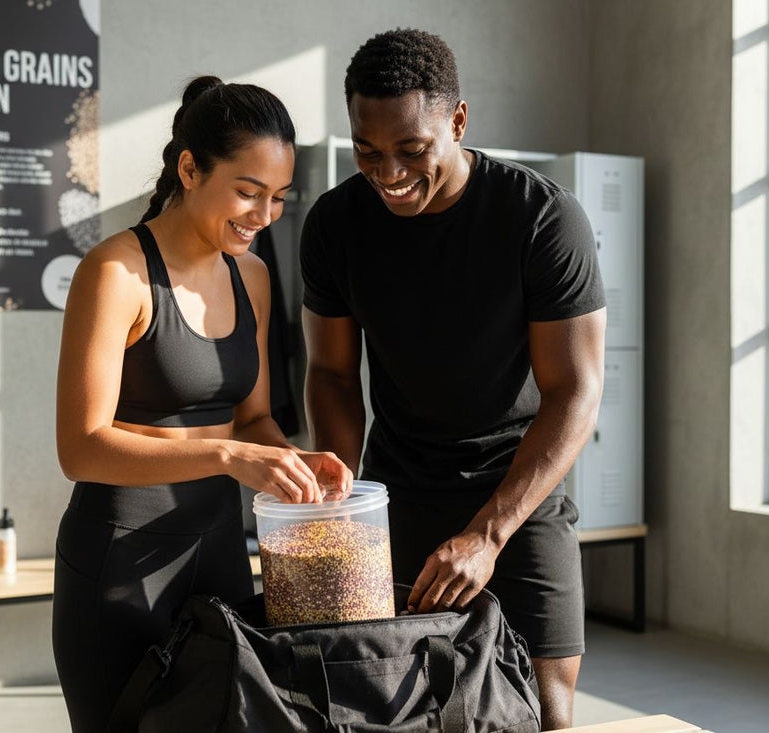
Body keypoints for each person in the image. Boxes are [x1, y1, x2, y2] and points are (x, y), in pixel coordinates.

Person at [301, 29, 606, 730]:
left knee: (543, 708)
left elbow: (575, 391)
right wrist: (339, 502)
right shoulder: (336, 224)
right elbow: (331, 372)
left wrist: (489, 535)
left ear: (458, 122)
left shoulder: (541, 218)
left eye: (412, 150)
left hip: (517, 496)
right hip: (398, 489)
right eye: (368, 151)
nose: (389, 173)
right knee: (400, 704)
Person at [53, 75, 352, 732]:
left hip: (218, 555)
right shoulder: (114, 273)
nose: (264, 215)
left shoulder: (253, 276)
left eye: (278, 198)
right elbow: (80, 446)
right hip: (118, 564)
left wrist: (297, 461)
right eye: (247, 192)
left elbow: (254, 418)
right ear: (190, 167)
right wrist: (225, 455)